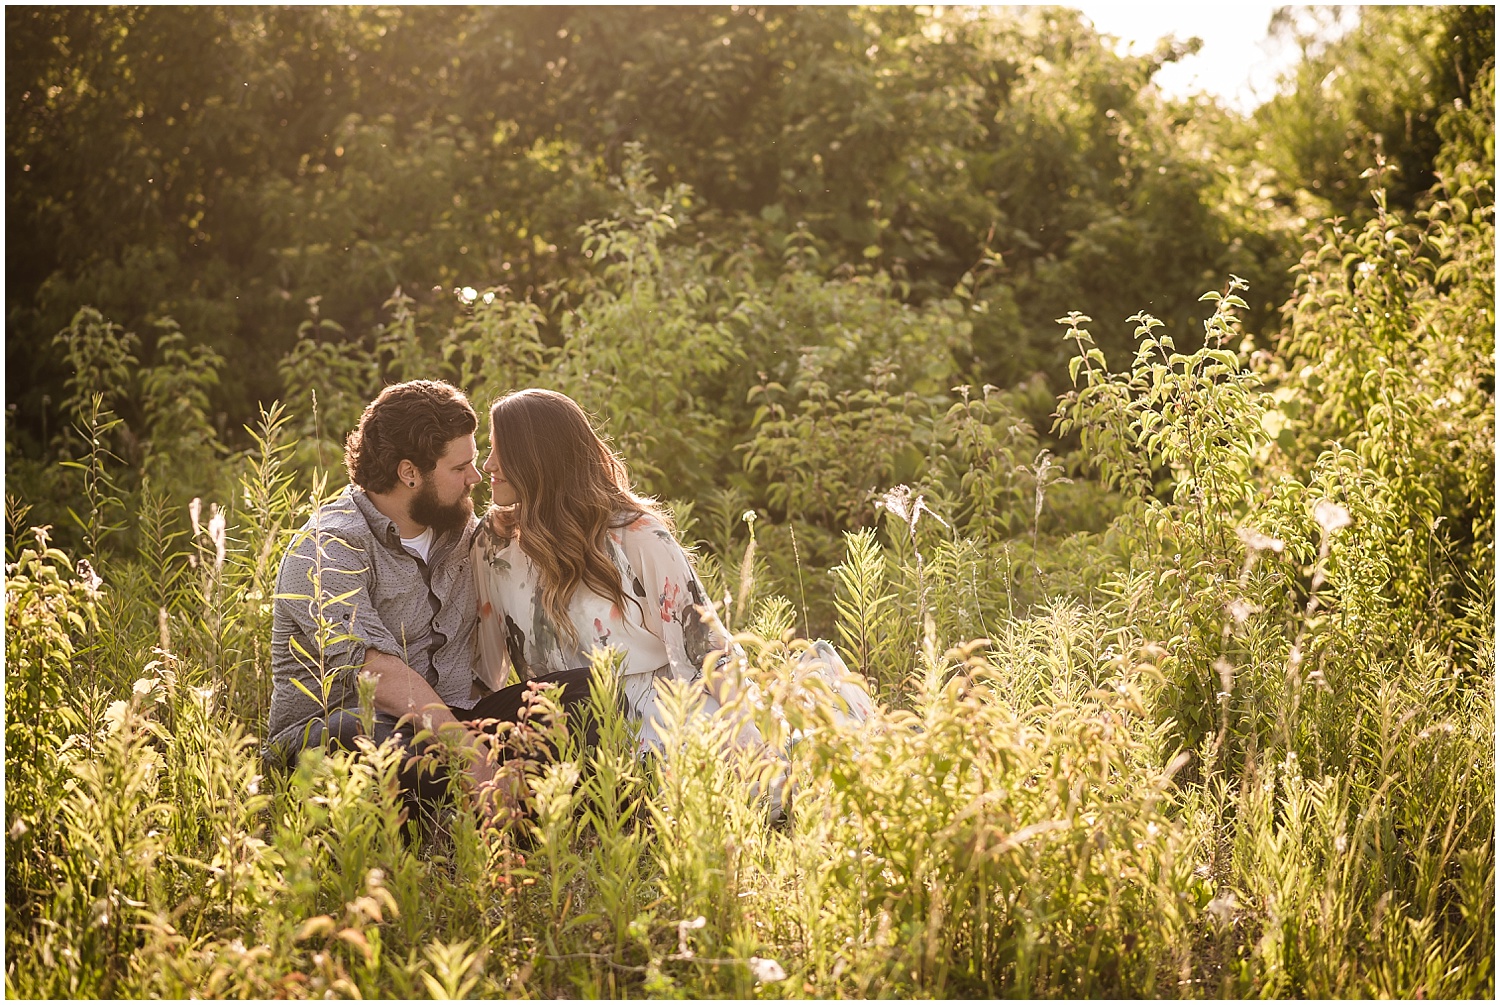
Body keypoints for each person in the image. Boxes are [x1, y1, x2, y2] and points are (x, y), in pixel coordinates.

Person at [472, 388, 867, 760]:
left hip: (661, 718)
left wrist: (755, 750)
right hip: (562, 727)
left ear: (539, 458)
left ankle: (813, 723)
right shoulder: (492, 543)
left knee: (776, 786)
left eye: (501, 451)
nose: (488, 465)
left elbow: (709, 653)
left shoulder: (636, 535)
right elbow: (485, 671)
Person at [266, 380, 592, 815]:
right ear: (409, 473)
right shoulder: (329, 547)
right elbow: (373, 674)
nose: (475, 478)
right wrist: (471, 756)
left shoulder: (457, 526)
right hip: (346, 731)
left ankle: (499, 801)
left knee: (584, 694)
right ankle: (488, 797)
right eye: (460, 468)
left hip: (455, 719)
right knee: (368, 740)